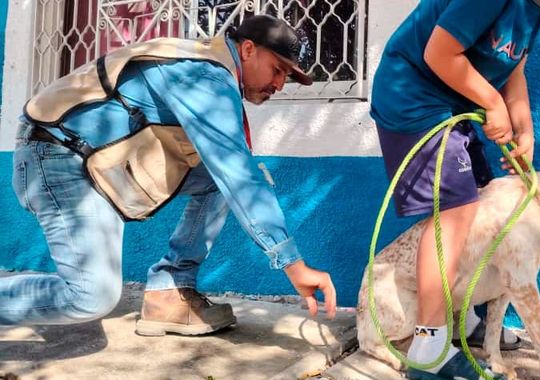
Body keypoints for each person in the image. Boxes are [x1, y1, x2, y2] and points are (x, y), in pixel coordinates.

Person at [2, 15, 337, 335]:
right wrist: (292, 263)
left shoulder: (210, 71)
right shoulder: (204, 75)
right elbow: (238, 175)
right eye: (277, 69)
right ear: (248, 49)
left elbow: (231, 174)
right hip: (56, 158)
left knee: (217, 180)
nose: (279, 84)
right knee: (90, 296)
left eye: (287, 76)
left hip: (93, 163)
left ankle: (169, 291)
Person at [370, 0, 540, 380]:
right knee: (454, 212)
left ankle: (463, 325)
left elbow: (513, 69)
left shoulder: (535, 9)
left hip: (454, 103)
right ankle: (428, 348)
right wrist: (491, 103)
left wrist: (525, 129)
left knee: (479, 206)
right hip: (414, 101)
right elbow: (438, 52)